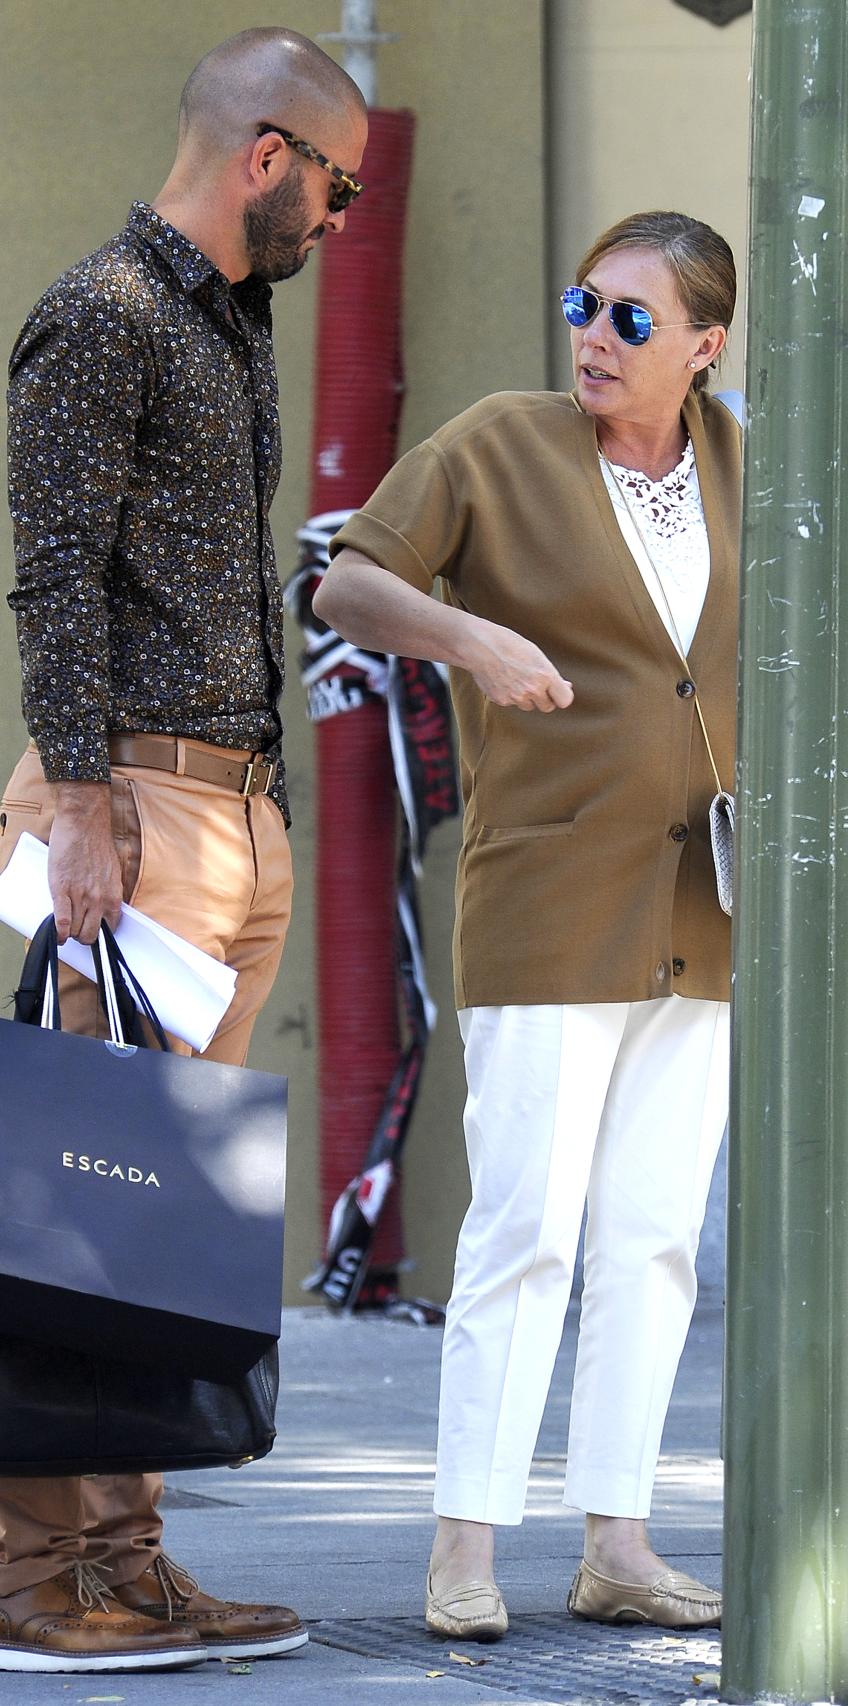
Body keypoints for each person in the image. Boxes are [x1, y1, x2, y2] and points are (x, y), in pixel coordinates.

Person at [0, 29, 368, 1675]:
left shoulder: (229, 322)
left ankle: (126, 1559)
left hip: (231, 815)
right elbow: (54, 577)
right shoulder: (104, 313)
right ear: (267, 153)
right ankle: (22, 1577)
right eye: (337, 185)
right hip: (126, 808)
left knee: (159, 1226)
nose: (341, 219)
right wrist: (75, 810)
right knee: (73, 1205)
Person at [315, 211, 739, 1641]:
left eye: (633, 318)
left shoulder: (753, 471)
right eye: (585, 304)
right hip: (552, 898)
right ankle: (464, 1544)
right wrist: (471, 637)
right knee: (525, 1227)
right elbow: (349, 579)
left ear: (704, 346)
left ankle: (618, 1537)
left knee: (654, 1232)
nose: (596, 337)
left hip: (708, 907)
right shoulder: (499, 442)